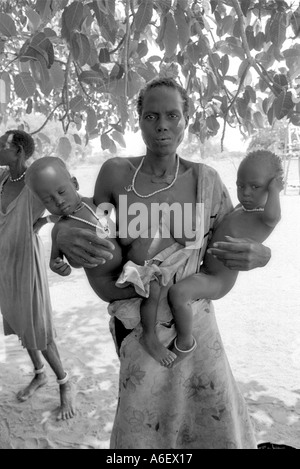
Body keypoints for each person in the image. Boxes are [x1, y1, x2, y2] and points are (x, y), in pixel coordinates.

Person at [52, 77, 272, 449]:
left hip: (195, 332)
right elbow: (94, 230)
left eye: (173, 115)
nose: (162, 125)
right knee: (142, 434)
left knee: (209, 422)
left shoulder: (206, 182)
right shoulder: (115, 175)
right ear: (138, 119)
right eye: (151, 115)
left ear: (187, 119)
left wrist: (259, 254)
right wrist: (63, 235)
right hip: (138, 329)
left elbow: (220, 277)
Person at [0, 130, 75, 420]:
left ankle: (64, 383)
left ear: (17, 150)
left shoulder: (36, 180)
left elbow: (68, 203)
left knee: (37, 327)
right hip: (3, 263)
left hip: (25, 262)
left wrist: (41, 221)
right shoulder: (4, 178)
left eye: (1, 146)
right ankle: (39, 374)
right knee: (19, 320)